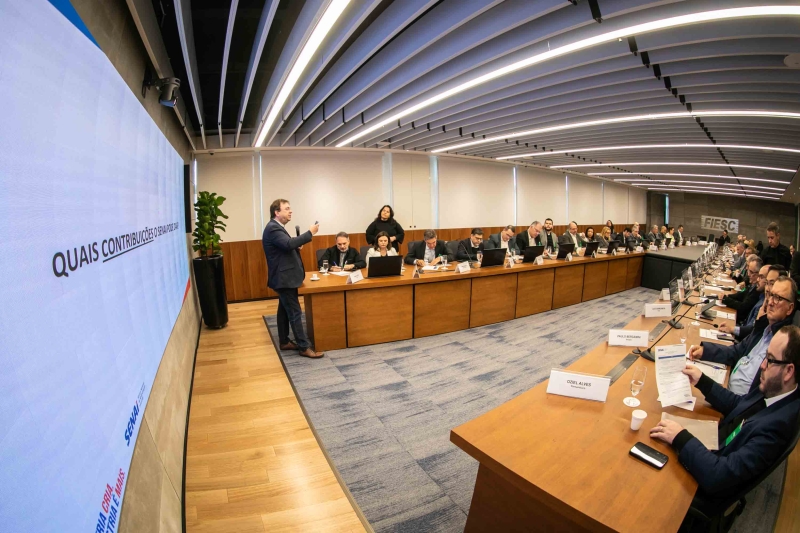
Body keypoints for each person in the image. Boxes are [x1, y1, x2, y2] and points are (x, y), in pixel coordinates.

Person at [652, 325, 800, 514]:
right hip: (714, 446)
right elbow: (739, 405)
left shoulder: (777, 428)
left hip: (702, 481)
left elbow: (718, 476)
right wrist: (702, 381)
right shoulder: (776, 390)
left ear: (788, 371)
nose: (762, 365)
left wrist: (680, 437)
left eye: (770, 360)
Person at [689, 276, 796, 395]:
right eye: (771, 295)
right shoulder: (764, 329)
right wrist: (705, 351)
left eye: (778, 298)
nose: (770, 302)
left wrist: (703, 382)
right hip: (727, 387)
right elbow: (737, 351)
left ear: (790, 308)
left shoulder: (781, 347)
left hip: (735, 403)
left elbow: (747, 404)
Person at [262, 198, 324, 358]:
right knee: (295, 312)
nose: (291, 211)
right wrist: (310, 233)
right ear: (277, 212)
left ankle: (284, 341)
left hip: (284, 277)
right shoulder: (273, 228)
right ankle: (304, 347)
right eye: (287, 208)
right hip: (284, 278)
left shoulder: (276, 227)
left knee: (284, 310)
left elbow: (286, 246)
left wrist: (295, 245)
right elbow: (288, 244)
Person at [720, 264, 770, 340]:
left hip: (742, 337)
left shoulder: (763, 301)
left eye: (761, 277)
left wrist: (732, 329)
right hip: (741, 330)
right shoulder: (760, 294)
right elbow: (741, 295)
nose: (758, 279)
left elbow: (752, 329)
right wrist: (725, 297)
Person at [722, 256, 763, 324]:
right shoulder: (753, 285)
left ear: (758, 274)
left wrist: (725, 299)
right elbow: (742, 294)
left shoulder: (757, 290)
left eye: (750, 271)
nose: (748, 274)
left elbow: (743, 307)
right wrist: (726, 296)